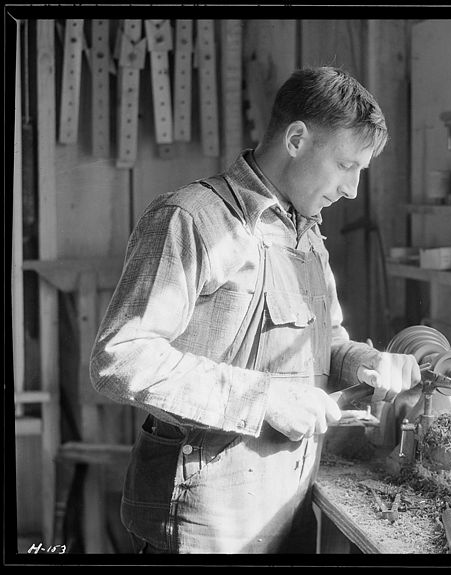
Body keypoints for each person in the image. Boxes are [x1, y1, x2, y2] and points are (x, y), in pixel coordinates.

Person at [89, 66, 421, 554]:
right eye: (347, 166)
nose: (352, 190)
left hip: (285, 505)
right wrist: (266, 400)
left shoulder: (306, 235)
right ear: (297, 139)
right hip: (204, 520)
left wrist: (361, 362)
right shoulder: (192, 219)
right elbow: (120, 358)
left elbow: (323, 341)